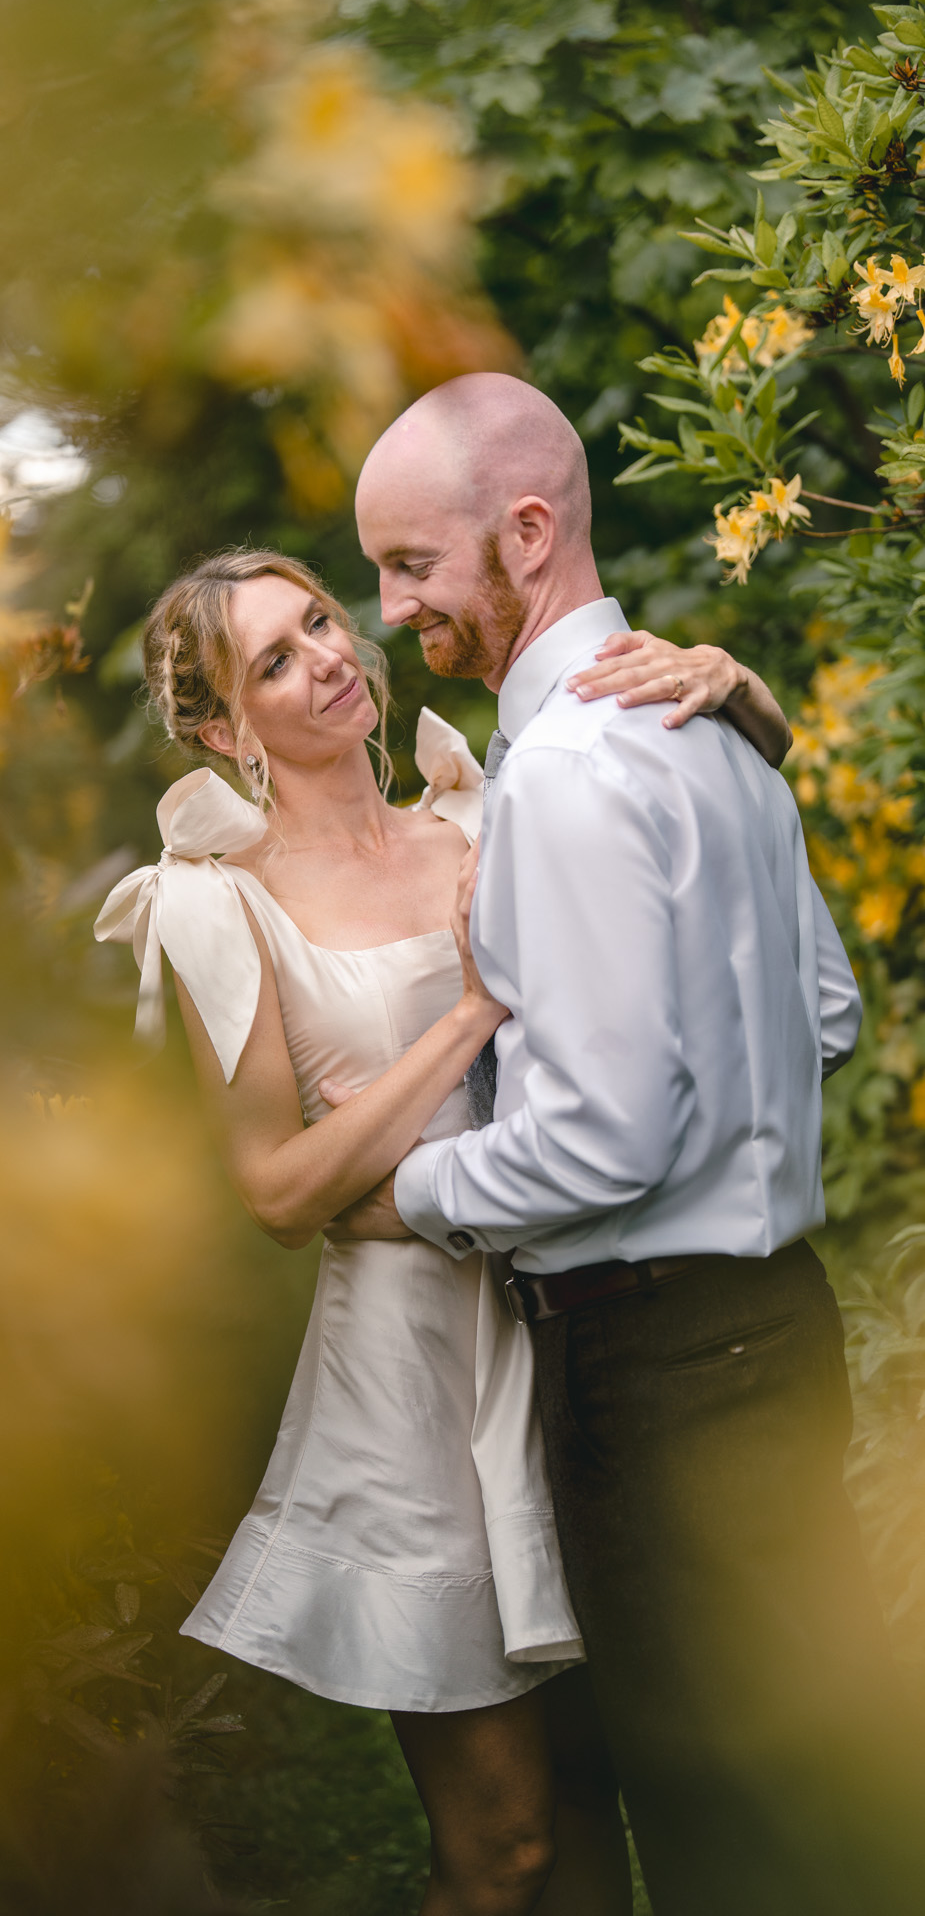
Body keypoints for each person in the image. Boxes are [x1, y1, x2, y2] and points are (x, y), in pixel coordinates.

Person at [95, 545, 793, 1915]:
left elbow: (701, 878)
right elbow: (278, 1194)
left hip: (568, 1326)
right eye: (274, 662)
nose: (330, 659)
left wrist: (736, 692)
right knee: (503, 1850)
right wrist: (471, 1013)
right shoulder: (218, 906)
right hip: (408, 1376)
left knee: (601, 1797)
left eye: (318, 620)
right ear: (220, 729)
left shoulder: (477, 817)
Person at [344, 372, 911, 1916]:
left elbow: (598, 1145)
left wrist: (406, 1187)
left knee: (725, 1826)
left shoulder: (574, 775)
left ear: (524, 534)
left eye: (411, 566)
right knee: (819, 1794)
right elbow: (826, 1015)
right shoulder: (713, 727)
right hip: (774, 1332)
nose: (392, 612)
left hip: (653, 1368)